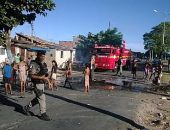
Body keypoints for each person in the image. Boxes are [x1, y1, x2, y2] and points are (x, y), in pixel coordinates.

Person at [23, 51, 52, 121]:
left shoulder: (43, 64)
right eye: (41, 56)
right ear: (38, 56)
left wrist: (48, 81)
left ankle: (27, 107)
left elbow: (45, 75)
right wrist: (41, 78)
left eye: (44, 56)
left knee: (38, 98)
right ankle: (43, 114)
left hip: (42, 84)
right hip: (36, 83)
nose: (43, 57)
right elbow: (31, 75)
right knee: (42, 97)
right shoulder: (34, 64)